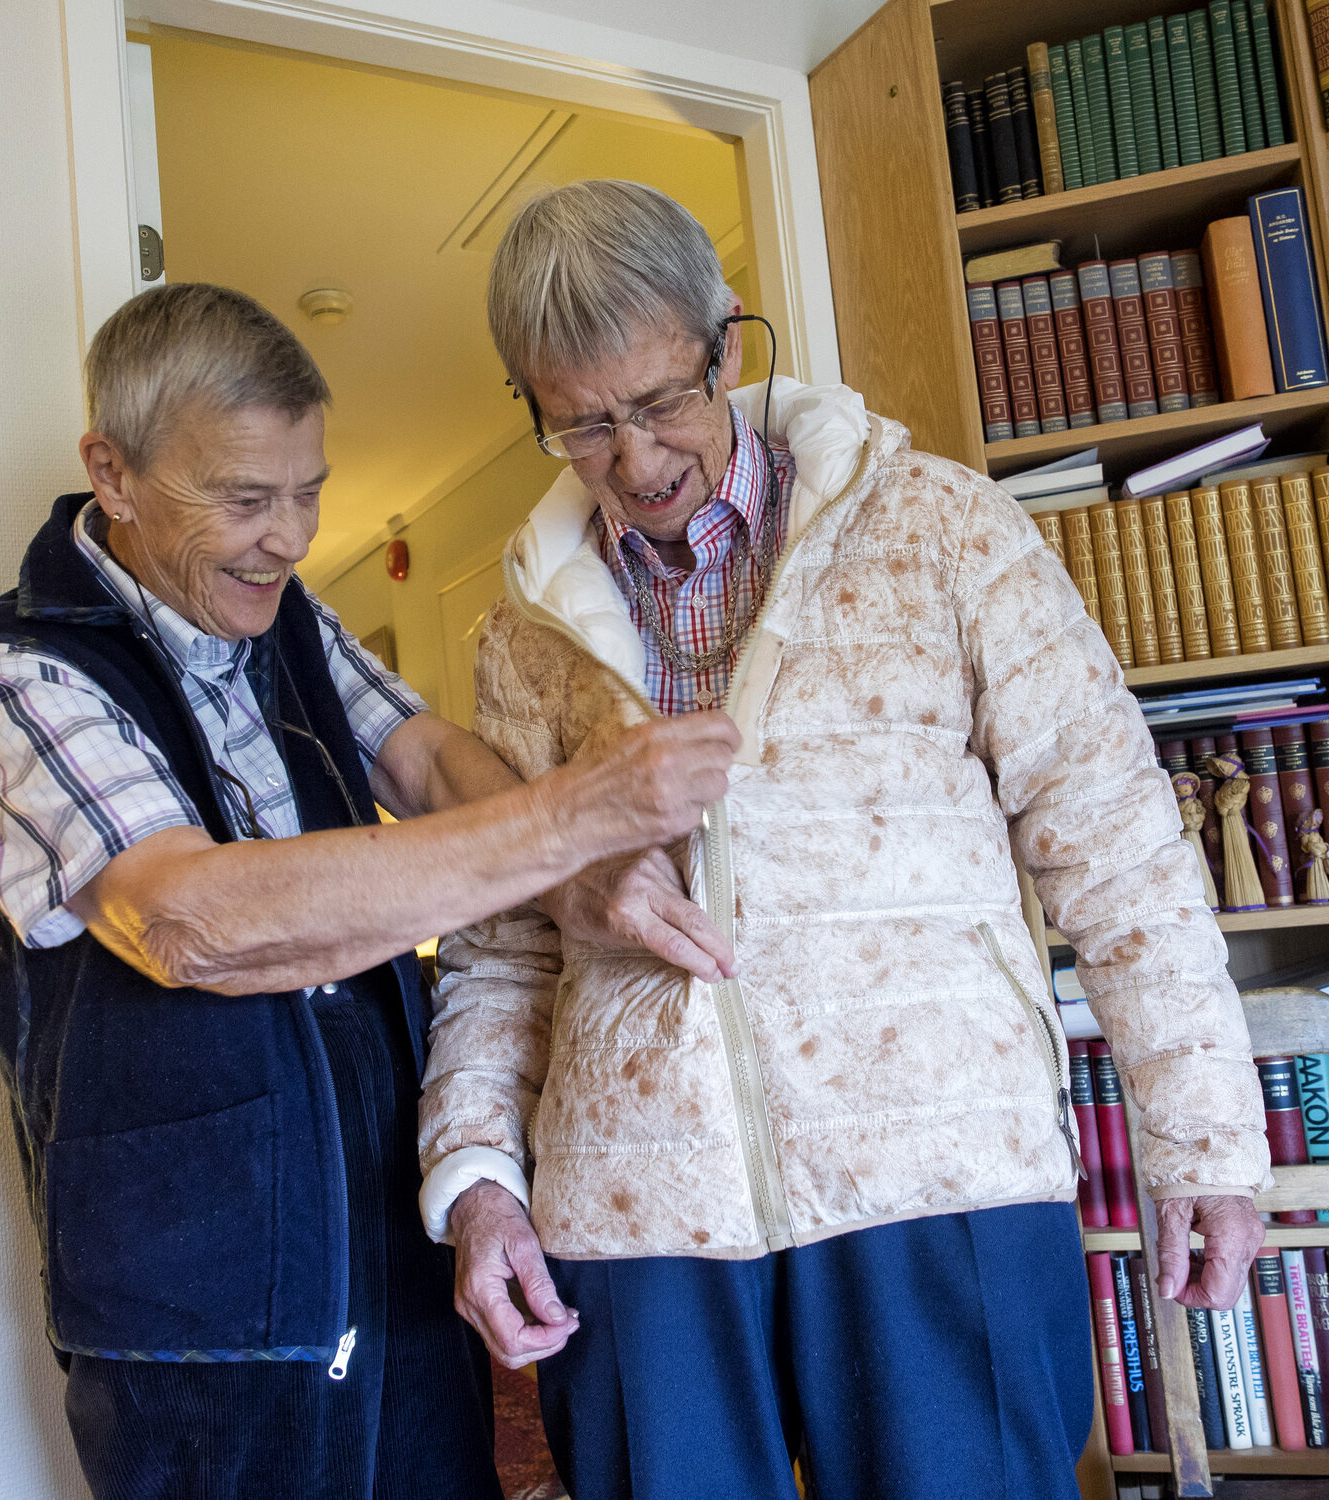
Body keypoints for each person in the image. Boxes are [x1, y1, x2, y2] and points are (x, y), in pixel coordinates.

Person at [417, 181, 1272, 1500]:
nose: (636, 463)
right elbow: (498, 947)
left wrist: (1203, 1139)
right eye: (582, 425)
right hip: (639, 1215)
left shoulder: (943, 526)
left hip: (942, 1170)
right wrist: (479, 1184)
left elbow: (1118, 845)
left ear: (731, 349)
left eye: (659, 403)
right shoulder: (517, 639)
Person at [0, 282, 741, 1500]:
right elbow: (190, 921)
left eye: (307, 492)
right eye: (244, 500)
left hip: (392, 1249)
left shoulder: (287, 617)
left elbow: (428, 757)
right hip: (200, 1328)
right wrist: (575, 816)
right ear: (113, 473)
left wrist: (594, 880)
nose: (287, 538)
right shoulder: (10, 681)